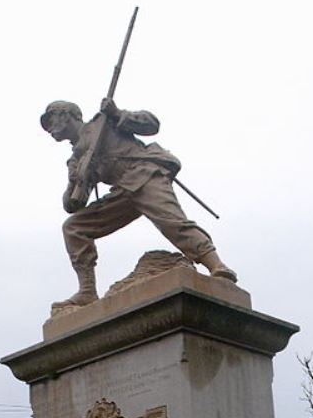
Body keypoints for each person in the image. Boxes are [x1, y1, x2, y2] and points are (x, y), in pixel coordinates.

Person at [41, 98, 237, 308]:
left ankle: (216, 265)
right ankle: (87, 291)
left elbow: (151, 124)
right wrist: (76, 180)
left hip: (144, 175)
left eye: (51, 120)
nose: (50, 129)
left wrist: (117, 113)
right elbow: (72, 205)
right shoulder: (76, 160)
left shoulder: (103, 121)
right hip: (122, 193)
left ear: (66, 115)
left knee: (173, 222)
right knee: (74, 227)